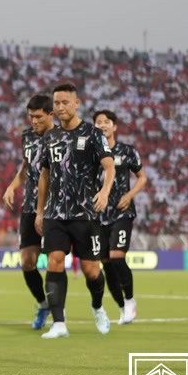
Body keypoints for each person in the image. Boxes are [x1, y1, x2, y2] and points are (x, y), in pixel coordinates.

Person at [34, 82, 115, 339]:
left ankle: (98, 306)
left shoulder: (93, 133)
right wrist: (39, 211)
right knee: (55, 263)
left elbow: (109, 167)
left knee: (92, 270)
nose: (59, 108)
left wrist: (103, 192)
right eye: (56, 103)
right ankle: (59, 323)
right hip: (56, 214)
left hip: (85, 214)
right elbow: (44, 175)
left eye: (64, 102)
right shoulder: (50, 136)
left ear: (76, 103)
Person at [2, 94, 55, 329]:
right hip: (30, 207)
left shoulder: (61, 137)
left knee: (57, 261)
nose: (33, 121)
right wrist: (12, 186)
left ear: (50, 115)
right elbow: (26, 166)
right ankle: (44, 304)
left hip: (57, 209)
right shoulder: (27, 136)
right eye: (30, 116)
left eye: (38, 117)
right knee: (27, 261)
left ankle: (60, 313)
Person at [93, 109, 147, 324]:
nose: (103, 125)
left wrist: (129, 195)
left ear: (114, 127)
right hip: (99, 215)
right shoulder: (90, 153)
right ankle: (123, 307)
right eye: (98, 122)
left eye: (107, 122)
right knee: (106, 263)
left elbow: (142, 177)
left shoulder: (126, 151)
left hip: (122, 212)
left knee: (117, 256)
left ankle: (130, 299)